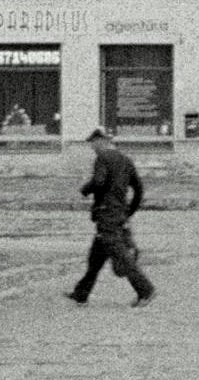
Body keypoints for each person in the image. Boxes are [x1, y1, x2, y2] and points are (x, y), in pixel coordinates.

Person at [66, 128, 156, 307]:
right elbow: (139, 189)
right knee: (95, 258)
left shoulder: (103, 158)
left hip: (106, 214)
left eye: (93, 143)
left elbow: (98, 181)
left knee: (120, 255)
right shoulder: (126, 160)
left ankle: (145, 290)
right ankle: (81, 294)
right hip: (118, 213)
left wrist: (85, 189)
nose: (92, 147)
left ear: (101, 140)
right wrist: (129, 211)